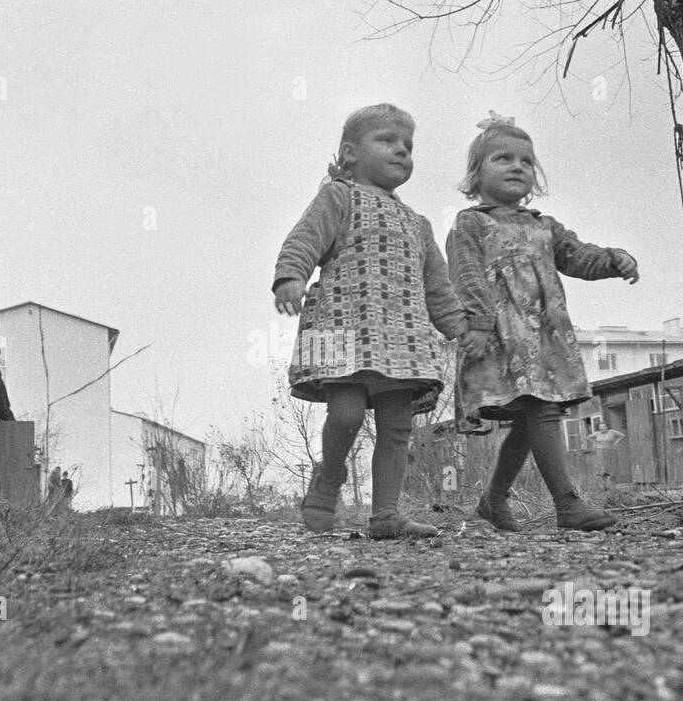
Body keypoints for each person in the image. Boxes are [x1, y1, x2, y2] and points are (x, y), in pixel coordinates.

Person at [273, 103, 479, 539]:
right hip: (341, 326)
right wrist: (291, 275)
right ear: (349, 152)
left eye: (407, 145)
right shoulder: (338, 196)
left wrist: (460, 328)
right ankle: (329, 478)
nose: (401, 151)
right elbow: (306, 237)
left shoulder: (417, 223)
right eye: (387, 141)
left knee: (396, 425)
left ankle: (386, 514)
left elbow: (437, 287)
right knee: (345, 414)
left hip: (403, 338)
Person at [447, 113, 639, 532]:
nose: (517, 166)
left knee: (533, 415)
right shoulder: (471, 223)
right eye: (503, 158)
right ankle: (567, 505)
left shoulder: (544, 226)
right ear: (476, 175)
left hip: (545, 339)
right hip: (499, 337)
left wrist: (612, 259)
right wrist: (477, 323)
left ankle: (493, 502)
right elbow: (465, 276)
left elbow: (576, 255)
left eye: (526, 161)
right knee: (540, 411)